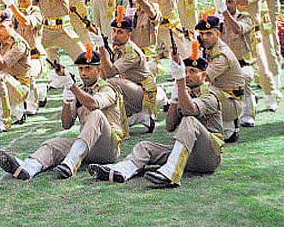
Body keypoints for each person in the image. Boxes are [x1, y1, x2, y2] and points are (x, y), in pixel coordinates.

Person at [88, 44, 224, 187]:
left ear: (204, 75)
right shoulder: (186, 95)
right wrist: (174, 99)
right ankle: (122, 170)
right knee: (144, 146)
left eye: (193, 71)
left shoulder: (210, 96)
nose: (188, 75)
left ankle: (171, 173)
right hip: (187, 155)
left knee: (189, 120)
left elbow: (190, 111)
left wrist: (180, 82)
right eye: (186, 71)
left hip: (209, 157)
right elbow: (170, 126)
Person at [0, 46, 128, 180]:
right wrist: (67, 99)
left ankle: (71, 163)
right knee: (52, 144)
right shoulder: (80, 90)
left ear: (99, 70)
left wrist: (72, 86)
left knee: (96, 114)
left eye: (88, 68)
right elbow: (66, 124)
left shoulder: (107, 89)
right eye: (81, 69)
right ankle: (28, 168)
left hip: (108, 148)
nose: (83, 73)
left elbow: (93, 104)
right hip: (87, 146)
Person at [223, 0, 279, 112]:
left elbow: (244, 0)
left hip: (252, 35)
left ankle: (271, 97)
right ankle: (244, 98)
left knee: (262, 67)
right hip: (234, 33)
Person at [89, 7, 156, 132]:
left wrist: (101, 48)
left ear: (129, 35)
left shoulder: (131, 52)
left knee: (112, 83)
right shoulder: (117, 48)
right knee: (101, 86)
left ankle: (140, 115)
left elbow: (109, 73)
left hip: (144, 93)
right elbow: (103, 73)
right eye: (114, 31)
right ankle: (137, 118)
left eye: (120, 32)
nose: (115, 35)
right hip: (130, 90)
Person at [0, 6, 31, 133]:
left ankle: (3, 120)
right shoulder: (0, 42)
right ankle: (11, 112)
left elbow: (0, 66)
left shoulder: (19, 44)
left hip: (20, 88)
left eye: (2, 26)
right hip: (6, 85)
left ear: (11, 26)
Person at [195, 15, 245, 142]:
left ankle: (226, 124)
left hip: (232, 102)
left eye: (209, 33)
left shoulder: (222, 55)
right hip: (223, 96)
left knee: (201, 89)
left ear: (217, 34)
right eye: (201, 34)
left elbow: (202, 78)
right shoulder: (209, 49)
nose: (204, 37)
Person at [2, 0, 47, 115]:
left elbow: (26, 22)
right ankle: (40, 91)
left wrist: (11, 5)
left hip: (35, 57)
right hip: (17, 57)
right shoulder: (11, 13)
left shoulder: (37, 12)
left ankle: (33, 105)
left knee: (29, 74)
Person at [216, 0, 257, 127]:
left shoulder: (245, 18)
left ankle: (248, 115)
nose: (227, 5)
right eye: (225, 2)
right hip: (225, 65)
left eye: (230, 2)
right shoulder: (219, 20)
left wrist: (224, 12)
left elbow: (237, 29)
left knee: (243, 78)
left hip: (243, 64)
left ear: (237, 2)